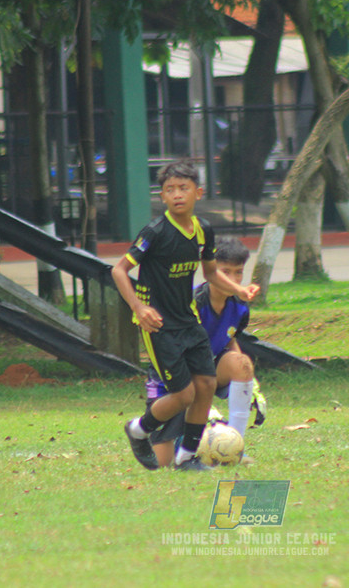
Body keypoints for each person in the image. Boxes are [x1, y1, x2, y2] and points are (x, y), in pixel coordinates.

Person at [112, 160, 259, 471]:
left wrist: (239, 290)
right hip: (159, 326)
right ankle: (137, 429)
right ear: (162, 196)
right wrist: (139, 308)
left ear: (198, 192)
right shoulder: (156, 231)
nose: (177, 194)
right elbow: (119, 270)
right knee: (184, 395)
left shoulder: (203, 230)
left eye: (184, 188)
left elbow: (210, 273)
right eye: (170, 190)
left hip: (188, 320)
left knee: (205, 384)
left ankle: (188, 457)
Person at [145, 238, 268, 468]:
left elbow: (229, 338)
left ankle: (234, 447)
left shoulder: (239, 307)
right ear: (210, 271)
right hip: (172, 380)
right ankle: (190, 434)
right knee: (160, 463)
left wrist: (250, 384)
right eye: (225, 272)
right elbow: (172, 354)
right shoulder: (190, 304)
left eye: (238, 272)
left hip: (205, 373)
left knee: (241, 364)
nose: (232, 279)